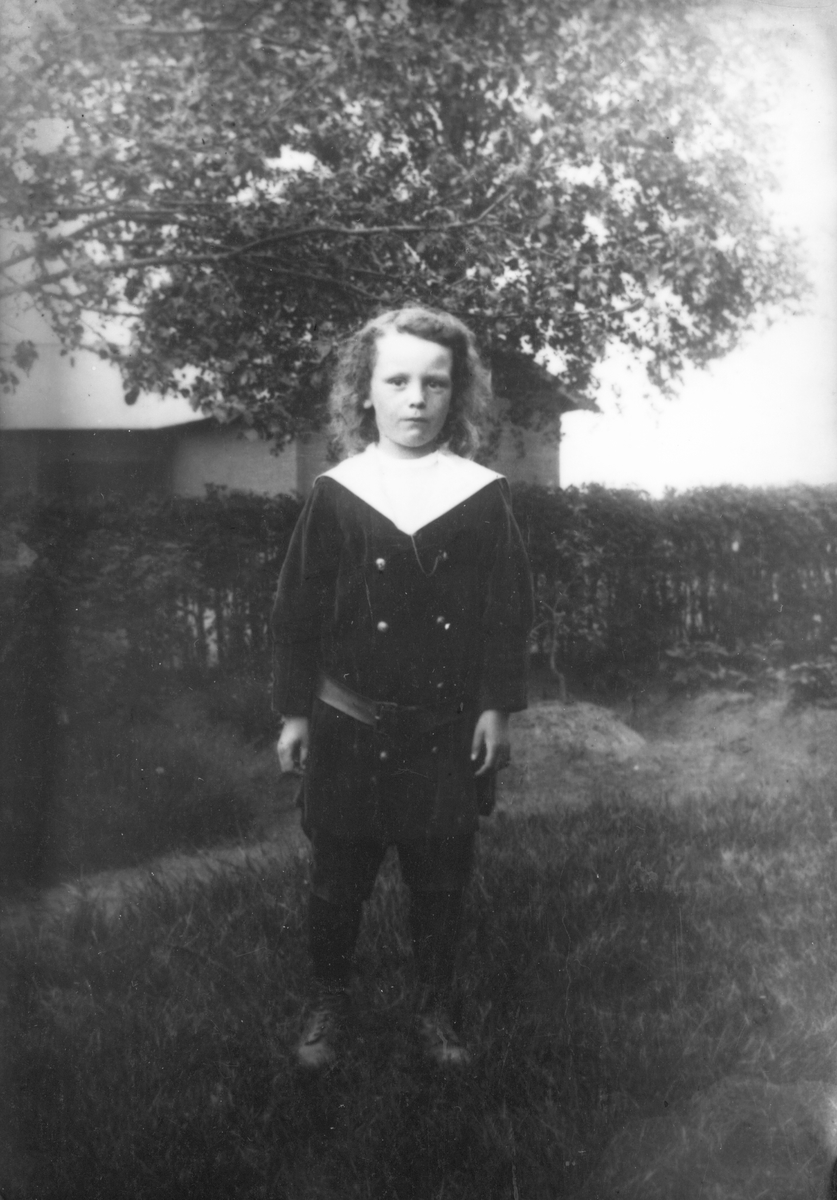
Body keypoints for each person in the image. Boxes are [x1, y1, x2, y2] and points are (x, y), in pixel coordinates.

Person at [272, 305, 533, 1070]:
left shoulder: (480, 494)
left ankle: (434, 1007)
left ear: (457, 393)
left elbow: (506, 610)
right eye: (396, 381)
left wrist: (495, 707)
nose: (415, 399)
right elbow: (295, 610)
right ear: (366, 391)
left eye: (434, 383)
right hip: (348, 721)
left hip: (442, 728)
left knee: (440, 880)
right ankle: (328, 1001)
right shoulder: (338, 491)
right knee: (336, 879)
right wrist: (294, 713)